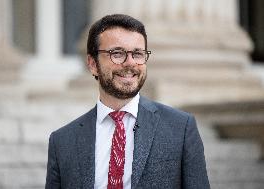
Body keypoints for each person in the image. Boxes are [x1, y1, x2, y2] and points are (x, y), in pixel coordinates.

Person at [45, 14, 210, 189]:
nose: (130, 63)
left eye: (138, 54)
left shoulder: (180, 128)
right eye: (117, 53)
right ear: (93, 64)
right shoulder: (62, 141)